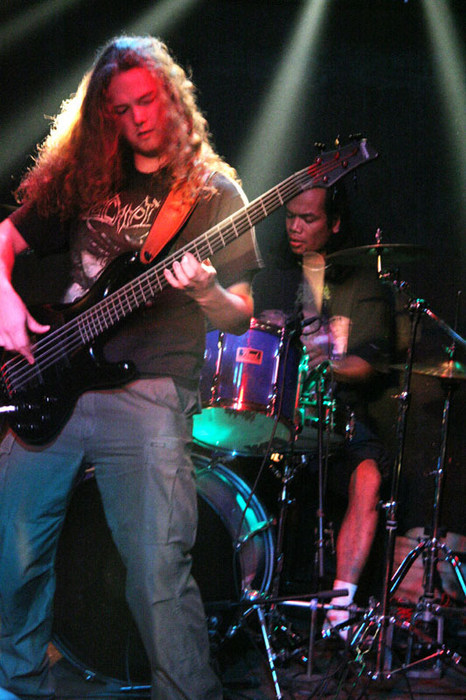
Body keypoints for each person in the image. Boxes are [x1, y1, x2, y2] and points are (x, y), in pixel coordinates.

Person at [0, 36, 262, 699]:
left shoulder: (214, 192)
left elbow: (240, 315)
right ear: (104, 115)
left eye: (147, 100)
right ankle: (17, 686)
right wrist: (3, 296)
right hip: (49, 380)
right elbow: (4, 237)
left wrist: (207, 290)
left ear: (171, 97)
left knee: (156, 573)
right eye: (121, 108)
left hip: (148, 389)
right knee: (12, 558)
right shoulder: (83, 178)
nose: (138, 118)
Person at [252, 184, 392, 636]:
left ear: (334, 224)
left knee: (368, 479)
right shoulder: (271, 279)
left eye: (308, 218)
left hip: (337, 415)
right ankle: (246, 593)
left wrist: (329, 361)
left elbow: (370, 362)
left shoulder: (362, 284)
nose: (295, 227)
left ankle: (341, 610)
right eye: (290, 216)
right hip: (275, 411)